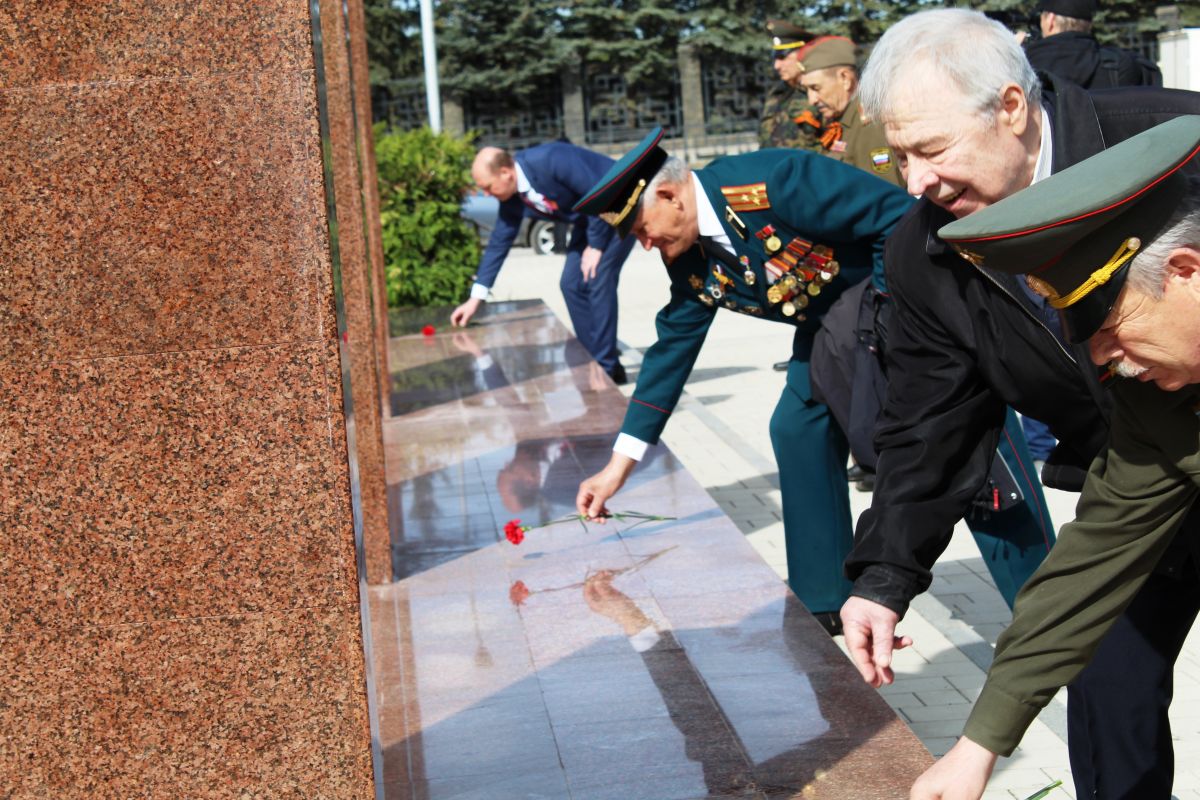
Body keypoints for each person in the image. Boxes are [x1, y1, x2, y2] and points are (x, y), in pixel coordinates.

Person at [839, 9, 1200, 796]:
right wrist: (886, 575)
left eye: (931, 150)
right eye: (898, 155)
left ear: (1010, 107)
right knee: (1105, 671)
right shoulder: (927, 249)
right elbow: (929, 422)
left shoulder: (1180, 143)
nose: (915, 182)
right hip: (1139, 468)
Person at [911, 115, 1200, 800]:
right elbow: (1094, 559)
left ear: (1186, 273)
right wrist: (978, 747)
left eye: (1110, 330)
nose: (1107, 364)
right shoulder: (1160, 398)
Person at [570, 127, 913, 634]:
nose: (644, 245)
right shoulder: (688, 257)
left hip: (903, 314)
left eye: (642, 228)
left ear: (669, 195)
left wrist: (885, 326)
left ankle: (1041, 602)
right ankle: (824, 602)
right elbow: (671, 351)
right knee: (797, 429)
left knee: (970, 462)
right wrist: (618, 469)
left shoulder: (776, 183)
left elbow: (899, 220)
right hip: (829, 332)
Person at [450, 143, 636, 384]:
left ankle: (605, 368)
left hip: (618, 206)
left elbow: (598, 191)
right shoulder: (512, 198)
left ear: (506, 173)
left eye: (487, 187)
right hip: (589, 222)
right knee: (570, 284)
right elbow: (498, 244)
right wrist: (476, 298)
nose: (486, 194)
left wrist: (596, 245)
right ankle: (596, 358)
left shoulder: (551, 160)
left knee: (596, 278)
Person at [791, 35, 903, 187]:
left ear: (845, 79)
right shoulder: (843, 119)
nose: (812, 100)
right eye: (807, 90)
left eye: (816, 88)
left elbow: (883, 197)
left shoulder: (869, 126)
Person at [1022, 0, 1162, 90]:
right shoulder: (1119, 66)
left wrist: (1015, 50)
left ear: (1051, 20)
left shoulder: (1024, 66)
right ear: (1088, 24)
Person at [760, 20, 825, 152]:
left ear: (803, 54)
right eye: (774, 57)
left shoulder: (820, 93)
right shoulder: (776, 94)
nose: (776, 65)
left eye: (782, 56)